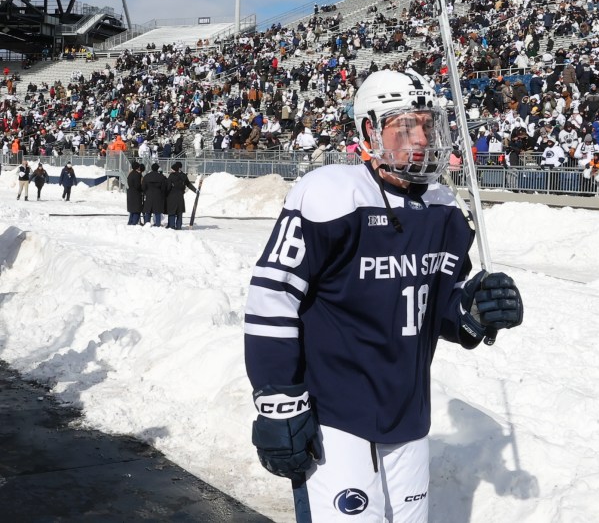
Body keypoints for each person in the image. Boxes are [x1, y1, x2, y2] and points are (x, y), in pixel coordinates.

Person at [242, 70, 524, 522]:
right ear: (370, 130)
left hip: (407, 413)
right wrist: (277, 401)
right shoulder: (331, 194)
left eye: (428, 124)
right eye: (405, 125)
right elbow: (271, 300)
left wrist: (475, 312)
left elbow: (439, 308)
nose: (421, 138)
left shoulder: (445, 211)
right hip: (335, 412)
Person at [165, 161, 198, 230]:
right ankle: (179, 226)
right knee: (179, 212)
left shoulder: (171, 176)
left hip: (172, 196)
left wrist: (165, 194)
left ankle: (171, 226)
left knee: (172, 212)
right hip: (180, 196)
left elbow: (168, 187)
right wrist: (195, 190)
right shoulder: (183, 175)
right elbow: (188, 184)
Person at [141, 162, 168, 227]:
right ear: (158, 169)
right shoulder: (161, 177)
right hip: (158, 196)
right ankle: (158, 224)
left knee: (148, 211)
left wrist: (146, 192)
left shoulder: (146, 176)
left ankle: (147, 224)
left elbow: (143, 187)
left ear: (151, 168)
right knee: (157, 212)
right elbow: (163, 188)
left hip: (149, 195)